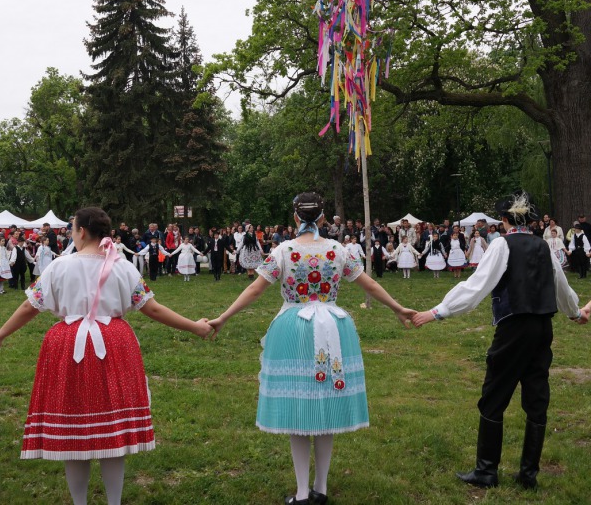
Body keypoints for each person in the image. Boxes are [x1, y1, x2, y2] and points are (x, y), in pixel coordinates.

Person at [0, 207, 211, 505]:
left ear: (80, 231)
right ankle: (113, 501)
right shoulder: (123, 266)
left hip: (68, 345)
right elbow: (152, 308)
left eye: (72, 229)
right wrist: (195, 327)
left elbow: (31, 307)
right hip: (114, 343)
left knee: (73, 430)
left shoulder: (59, 266)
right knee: (112, 430)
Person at [208, 193, 415, 504]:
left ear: (295, 218)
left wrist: (223, 317)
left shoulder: (283, 250)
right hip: (334, 326)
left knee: (299, 410)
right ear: (322, 218)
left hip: (294, 328)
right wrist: (399, 308)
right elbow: (369, 284)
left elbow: (254, 288)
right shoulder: (339, 250)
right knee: (326, 407)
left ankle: (303, 492)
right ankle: (321, 488)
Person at [412, 191, 590, 490]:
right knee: (536, 397)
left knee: (494, 395)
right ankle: (528, 475)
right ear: (531, 220)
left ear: (505, 221)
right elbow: (561, 286)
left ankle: (486, 471)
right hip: (542, 328)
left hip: (514, 329)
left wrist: (436, 312)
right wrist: (575, 313)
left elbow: (475, 287)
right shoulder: (543, 247)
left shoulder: (501, 246)